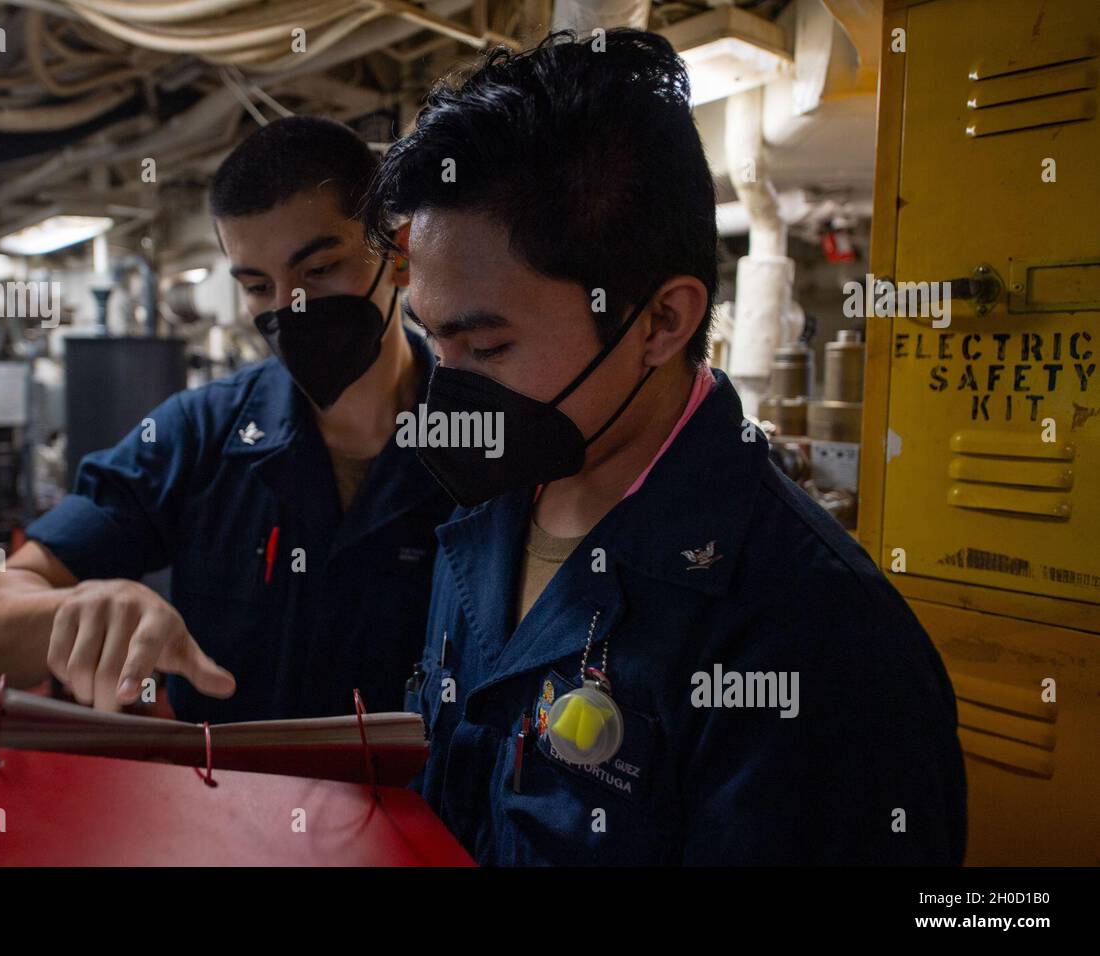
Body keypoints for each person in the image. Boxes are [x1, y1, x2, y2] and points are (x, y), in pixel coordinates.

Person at [364, 30, 966, 864]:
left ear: (660, 321)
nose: (449, 398)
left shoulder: (814, 640)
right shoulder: (489, 515)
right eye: (434, 343)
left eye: (489, 348)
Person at [0, 116, 454, 722]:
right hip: (225, 809)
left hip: (413, 813)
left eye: (318, 271)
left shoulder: (484, 442)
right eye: (258, 286)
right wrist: (76, 610)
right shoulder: (197, 435)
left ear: (398, 257)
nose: (288, 307)